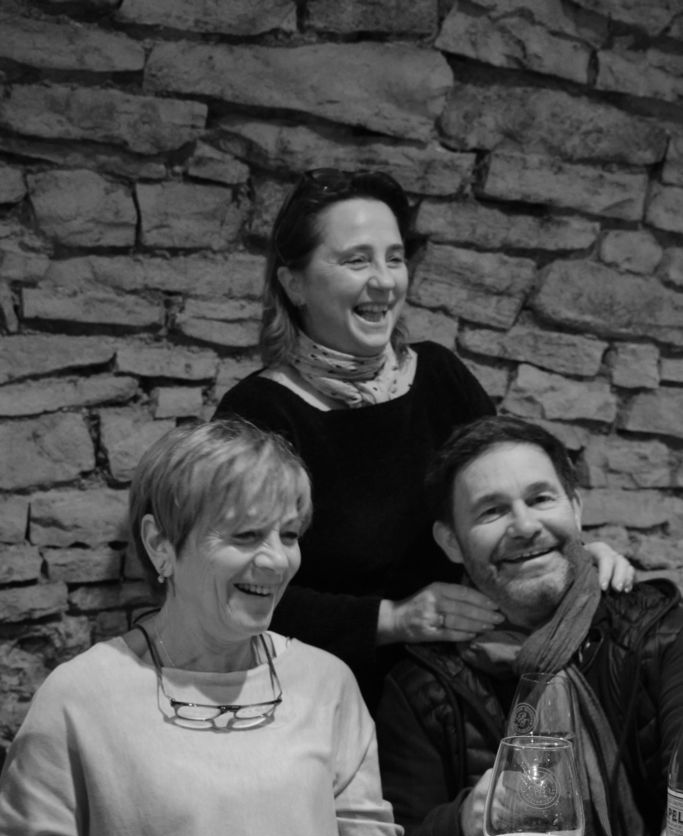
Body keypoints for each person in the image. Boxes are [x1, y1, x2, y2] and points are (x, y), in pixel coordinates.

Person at [213, 167, 633, 711]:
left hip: (469, 695)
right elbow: (232, 587)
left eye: (394, 258)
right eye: (357, 260)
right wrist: (393, 619)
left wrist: (567, 559)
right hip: (327, 703)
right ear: (294, 284)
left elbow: (508, 502)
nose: (385, 281)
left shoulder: (440, 376)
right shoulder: (257, 415)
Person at [0, 419, 402, 836]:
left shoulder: (328, 683)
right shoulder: (80, 697)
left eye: (289, 535)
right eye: (246, 535)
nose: (277, 561)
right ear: (160, 544)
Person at [376, 415, 683, 836]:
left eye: (540, 499)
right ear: (451, 542)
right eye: (492, 511)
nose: (523, 525)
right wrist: (462, 823)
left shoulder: (656, 629)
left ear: (575, 509)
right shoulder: (422, 685)